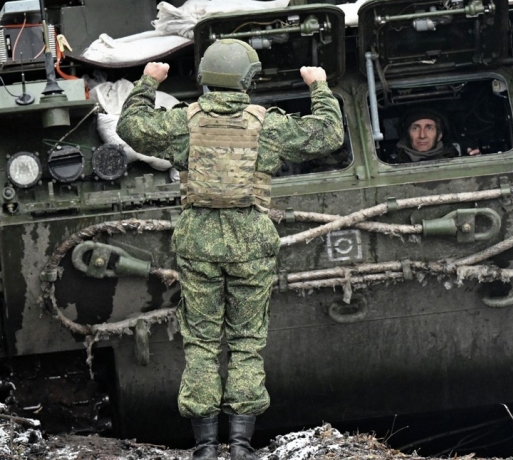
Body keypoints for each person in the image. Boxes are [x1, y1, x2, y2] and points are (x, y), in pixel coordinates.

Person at [116, 39, 344, 460]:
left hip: (198, 240)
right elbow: (328, 135)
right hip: (251, 242)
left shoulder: (184, 122)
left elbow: (131, 128)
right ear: (248, 79)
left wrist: (148, 83)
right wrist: (319, 87)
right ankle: (239, 444)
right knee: (246, 342)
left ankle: (204, 446)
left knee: (201, 342)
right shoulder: (267, 125)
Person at [392, 109, 479, 163]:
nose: (422, 135)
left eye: (429, 128)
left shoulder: (456, 160)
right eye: (415, 128)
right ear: (408, 134)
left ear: (439, 135)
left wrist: (477, 163)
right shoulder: (391, 166)